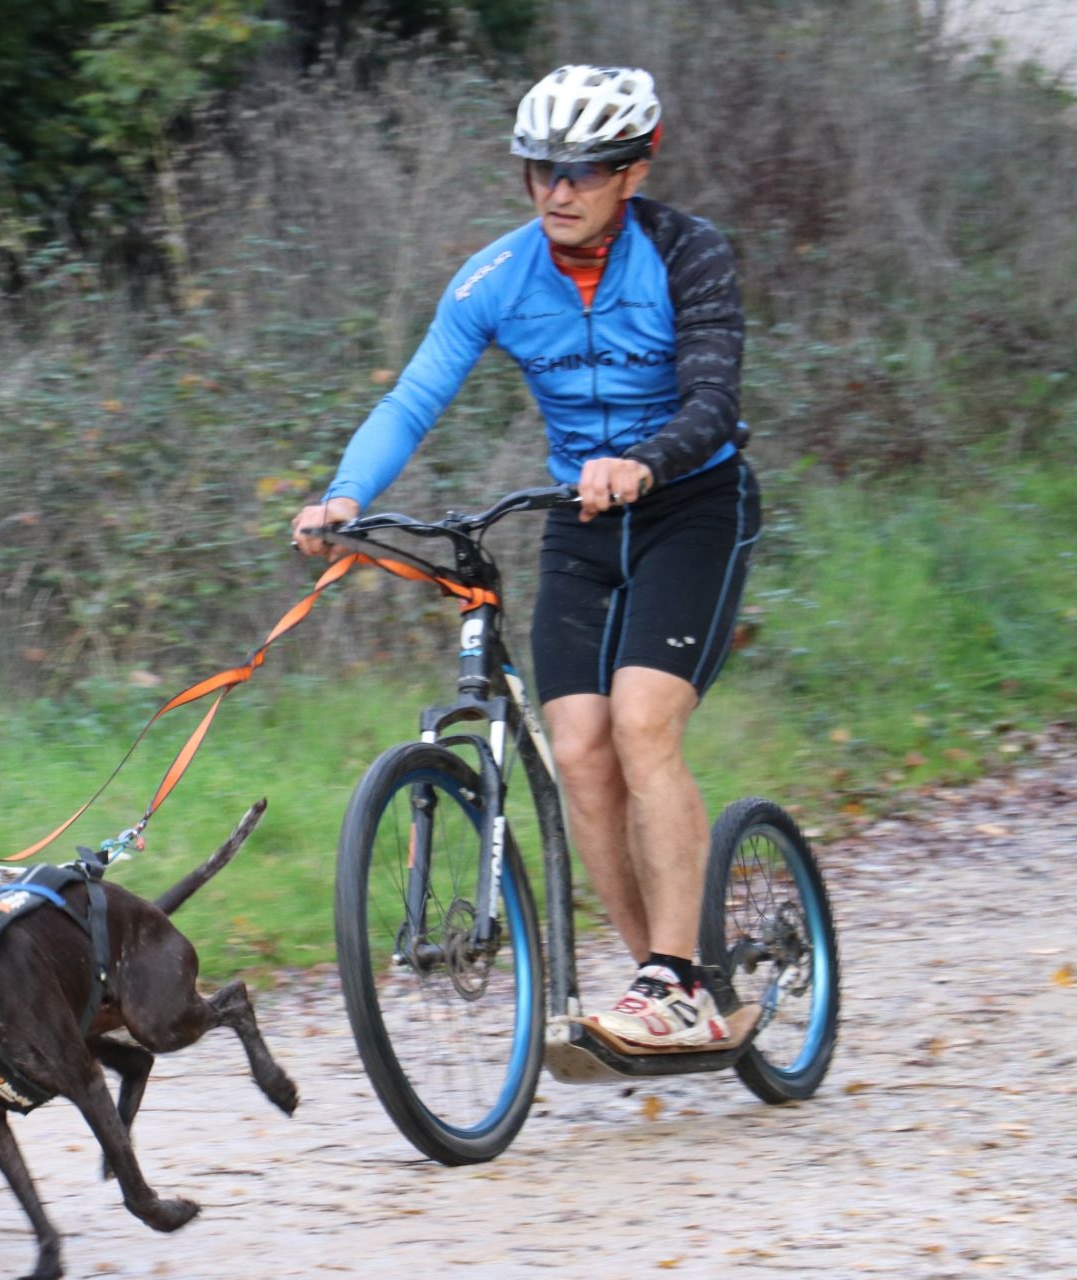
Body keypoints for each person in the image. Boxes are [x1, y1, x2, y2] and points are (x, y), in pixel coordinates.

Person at [290, 64, 760, 1050]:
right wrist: (345, 494)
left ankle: (674, 979)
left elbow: (713, 398)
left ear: (634, 170)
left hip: (692, 505)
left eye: (583, 172)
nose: (558, 190)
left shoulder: (688, 255)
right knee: (581, 753)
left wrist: (643, 459)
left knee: (641, 725)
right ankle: (664, 985)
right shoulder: (496, 278)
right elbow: (411, 399)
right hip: (579, 521)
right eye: (539, 170)